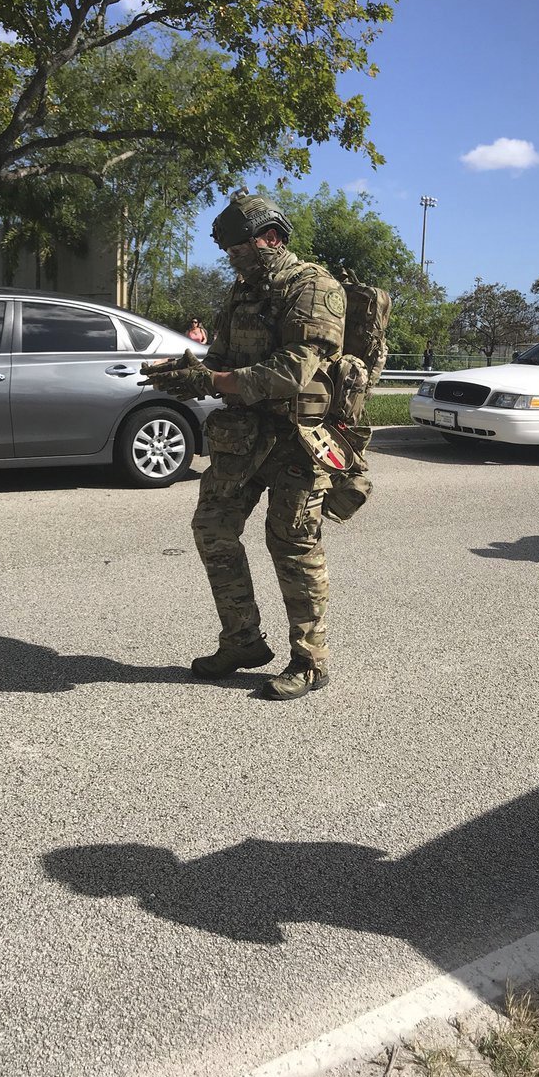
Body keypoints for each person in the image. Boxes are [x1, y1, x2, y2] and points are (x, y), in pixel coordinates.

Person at [140, 189, 348, 701]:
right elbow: (224, 357)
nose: (232, 258)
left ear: (270, 238)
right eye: (230, 251)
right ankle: (243, 641)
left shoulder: (315, 288)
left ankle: (310, 660)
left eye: (238, 249)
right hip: (243, 438)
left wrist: (213, 382)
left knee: (292, 544)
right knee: (212, 529)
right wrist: (191, 373)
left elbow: (291, 372)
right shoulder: (242, 291)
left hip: (298, 439)